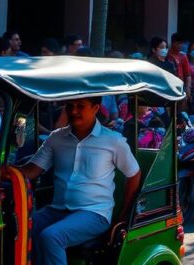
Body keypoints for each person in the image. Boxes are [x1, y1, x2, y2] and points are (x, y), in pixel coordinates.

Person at [19, 97, 141, 265]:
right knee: (20, 228)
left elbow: (134, 174)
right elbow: (32, 170)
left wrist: (124, 214)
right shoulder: (56, 138)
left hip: (94, 214)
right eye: (70, 106)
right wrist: (4, 171)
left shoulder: (113, 141)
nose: (74, 111)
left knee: (51, 237)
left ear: (96, 108)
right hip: (57, 209)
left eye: (80, 106)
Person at [167, 33, 193, 101]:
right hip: (168, 86)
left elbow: (188, 75)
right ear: (173, 43)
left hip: (180, 87)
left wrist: (188, 89)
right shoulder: (166, 55)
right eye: (178, 43)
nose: (180, 45)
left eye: (182, 43)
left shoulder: (183, 56)